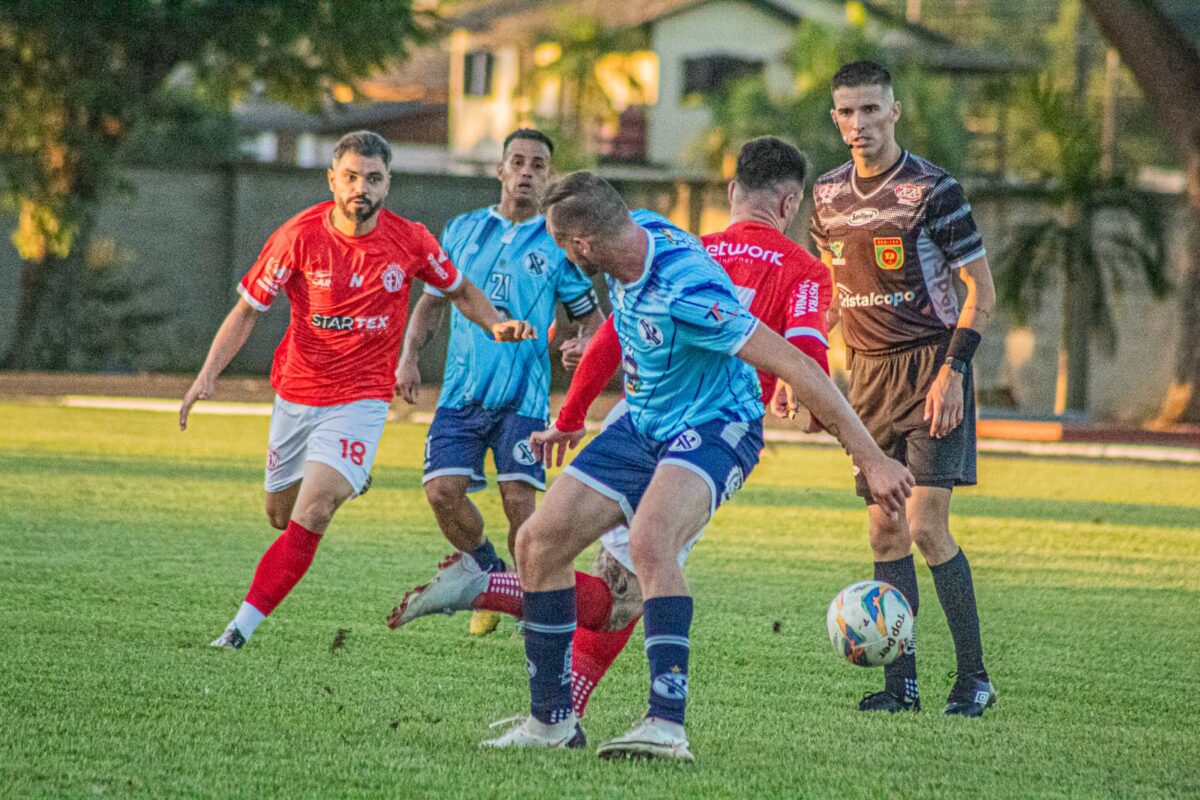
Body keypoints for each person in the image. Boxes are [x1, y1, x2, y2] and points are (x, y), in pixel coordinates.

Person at [387, 137, 835, 725]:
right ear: (790, 202)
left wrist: (571, 418)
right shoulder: (803, 270)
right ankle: (499, 602)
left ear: (732, 192)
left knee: (601, 572)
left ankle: (555, 708)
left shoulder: (677, 239)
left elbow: (614, 334)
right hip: (702, 427)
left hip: (637, 414)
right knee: (622, 595)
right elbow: (803, 352)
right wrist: (814, 411)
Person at [468, 171, 913, 761]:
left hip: (715, 426)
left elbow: (801, 367)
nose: (556, 254)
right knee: (537, 543)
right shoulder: (643, 226)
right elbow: (614, 341)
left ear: (583, 247)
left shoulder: (690, 293)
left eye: (557, 242)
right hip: (645, 420)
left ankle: (665, 725)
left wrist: (872, 458)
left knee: (652, 542)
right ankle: (551, 721)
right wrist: (573, 413)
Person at [180, 130, 532, 650]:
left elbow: (458, 289)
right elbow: (248, 310)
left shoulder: (410, 239)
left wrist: (495, 325)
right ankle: (351, 474)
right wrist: (208, 373)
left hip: (362, 399)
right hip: (298, 395)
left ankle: (237, 632)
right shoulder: (298, 235)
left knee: (315, 510)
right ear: (332, 180)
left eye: (372, 178)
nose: (360, 188)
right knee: (279, 517)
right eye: (350, 177)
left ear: (388, 183)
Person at [809, 61, 998, 716]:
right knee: (884, 534)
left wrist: (954, 372)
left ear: (894, 111)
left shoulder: (932, 190)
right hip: (865, 377)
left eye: (869, 110)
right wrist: (800, 370)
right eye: (846, 112)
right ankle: (902, 688)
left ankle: (973, 678)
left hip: (930, 368)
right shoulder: (826, 196)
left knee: (924, 525)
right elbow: (829, 298)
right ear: (835, 119)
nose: (858, 123)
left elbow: (982, 293)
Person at [395, 129, 604, 636]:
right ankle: (489, 574)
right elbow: (431, 301)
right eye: (518, 161)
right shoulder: (461, 231)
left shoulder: (559, 246)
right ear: (501, 170)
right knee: (442, 491)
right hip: (462, 394)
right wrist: (408, 357)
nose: (527, 171)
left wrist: (582, 345)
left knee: (518, 501)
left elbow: (593, 321)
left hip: (523, 399)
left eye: (538, 164)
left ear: (549, 177)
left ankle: (531, 607)